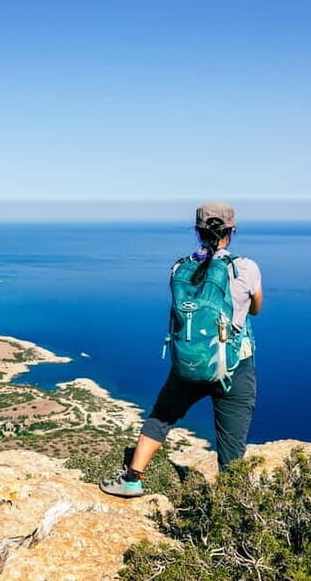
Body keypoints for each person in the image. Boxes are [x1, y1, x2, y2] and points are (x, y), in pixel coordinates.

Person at [100, 201, 263, 498]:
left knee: (161, 417)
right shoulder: (244, 267)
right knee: (231, 443)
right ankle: (232, 504)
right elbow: (256, 308)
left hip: (188, 365)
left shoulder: (179, 267)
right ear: (232, 230)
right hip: (233, 367)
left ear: (198, 231)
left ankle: (133, 478)